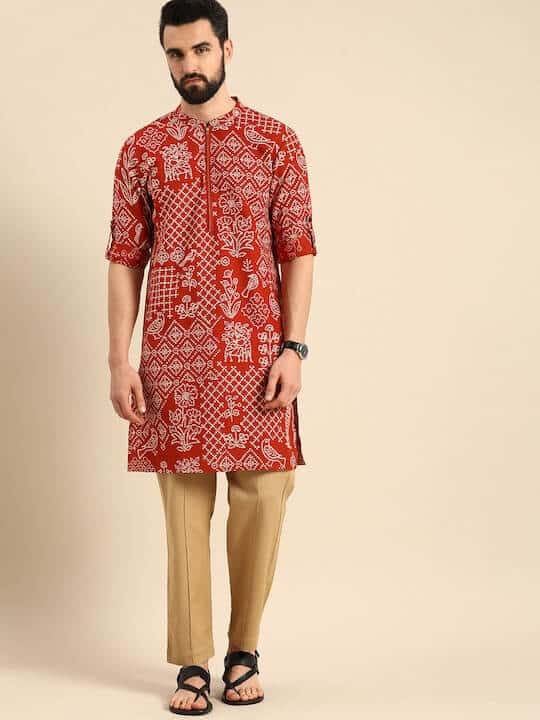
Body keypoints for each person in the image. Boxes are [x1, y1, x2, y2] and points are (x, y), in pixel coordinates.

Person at [105, 0, 317, 714]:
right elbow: (124, 257)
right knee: (184, 514)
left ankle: (243, 649)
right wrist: (118, 359)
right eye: (175, 53)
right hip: (173, 359)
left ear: (227, 48)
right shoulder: (142, 149)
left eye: (200, 50)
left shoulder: (275, 141)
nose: (188, 65)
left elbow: (298, 250)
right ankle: (192, 662)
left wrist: (294, 346)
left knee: (265, 497)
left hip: (257, 358)